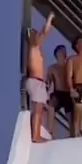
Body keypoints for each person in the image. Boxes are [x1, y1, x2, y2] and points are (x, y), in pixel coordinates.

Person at [25, 12, 55, 143]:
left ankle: (38, 133)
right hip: (36, 81)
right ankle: (36, 135)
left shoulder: (34, 49)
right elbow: (44, 32)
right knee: (38, 109)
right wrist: (49, 19)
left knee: (40, 108)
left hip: (37, 82)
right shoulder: (34, 46)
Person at [47, 44, 73, 138]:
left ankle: (72, 134)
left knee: (69, 114)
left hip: (68, 93)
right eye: (61, 52)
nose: (64, 53)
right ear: (57, 54)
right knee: (51, 106)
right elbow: (48, 82)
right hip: (58, 92)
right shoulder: (52, 68)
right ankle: (50, 132)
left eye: (64, 51)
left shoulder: (69, 65)